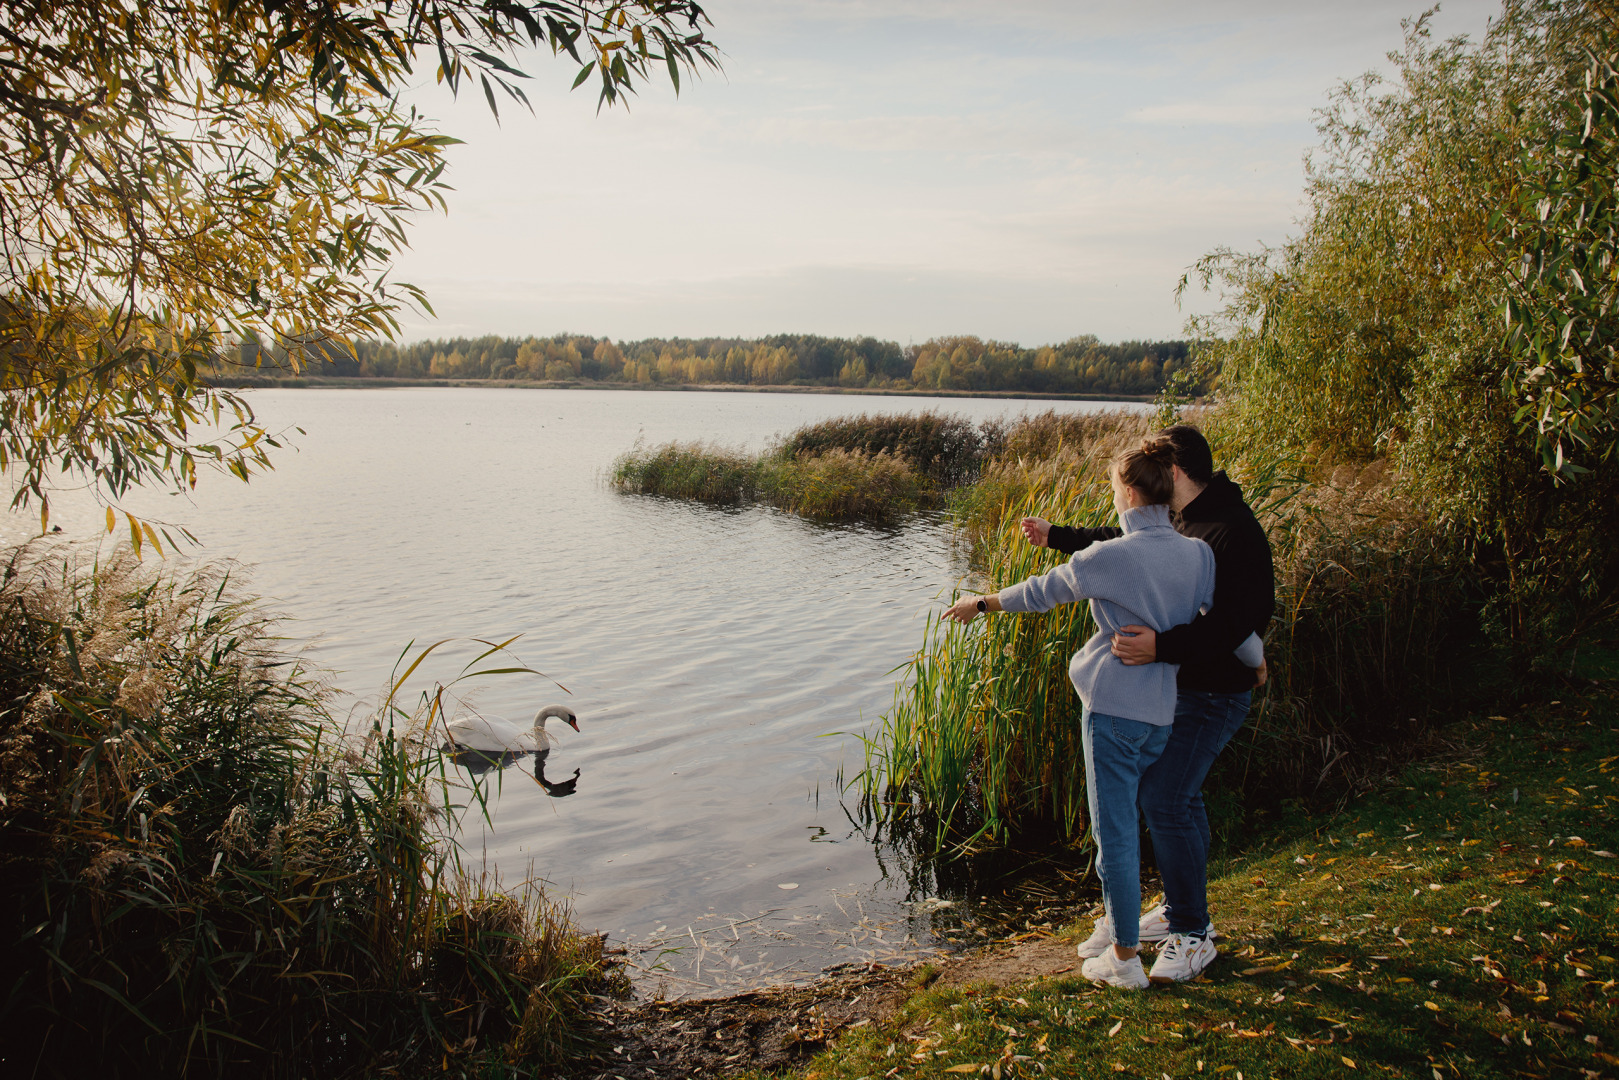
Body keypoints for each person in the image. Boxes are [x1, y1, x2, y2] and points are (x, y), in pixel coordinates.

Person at [944, 435, 1218, 990]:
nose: (1114, 497)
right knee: (1151, 818)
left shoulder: (1109, 556)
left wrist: (981, 602)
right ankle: (1125, 929)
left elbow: (1042, 592)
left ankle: (1122, 958)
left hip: (1114, 708)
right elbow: (1213, 620)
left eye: (1116, 487)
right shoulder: (1199, 554)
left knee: (1113, 834)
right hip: (1162, 713)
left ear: (1133, 493)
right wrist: (1252, 659)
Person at [1021, 423, 1274, 983]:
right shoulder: (1188, 518)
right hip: (1185, 688)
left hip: (1216, 694)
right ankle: (1180, 909)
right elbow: (1127, 545)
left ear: (1174, 472)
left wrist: (1164, 645)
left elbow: (1239, 622)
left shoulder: (1234, 532)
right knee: (1180, 801)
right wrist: (1057, 535)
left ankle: (1193, 932)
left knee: (1165, 798)